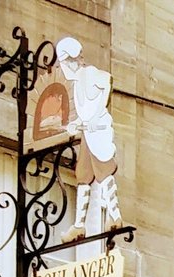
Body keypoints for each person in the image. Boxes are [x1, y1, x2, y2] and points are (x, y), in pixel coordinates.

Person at [55, 37, 124, 239]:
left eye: (65, 62)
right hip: (88, 132)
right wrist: (77, 122)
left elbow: (107, 80)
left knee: (104, 171)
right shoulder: (78, 83)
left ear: (74, 60)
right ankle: (79, 226)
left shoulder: (89, 73)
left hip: (99, 131)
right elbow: (86, 110)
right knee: (83, 175)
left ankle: (115, 216)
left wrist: (96, 115)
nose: (64, 67)